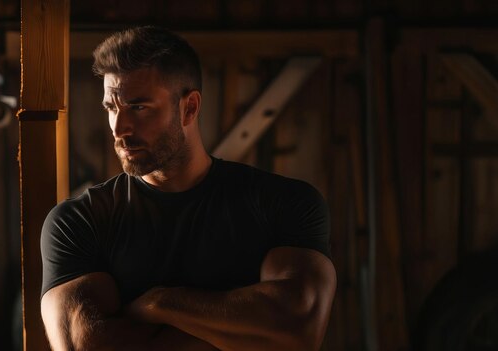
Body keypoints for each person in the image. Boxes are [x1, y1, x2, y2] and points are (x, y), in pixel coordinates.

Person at [40, 26, 336, 351]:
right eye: (112, 108)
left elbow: (298, 328)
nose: (120, 128)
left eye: (139, 107)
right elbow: (84, 346)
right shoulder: (78, 222)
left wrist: (160, 303)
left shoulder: (284, 204)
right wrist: (240, 333)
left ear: (189, 108)